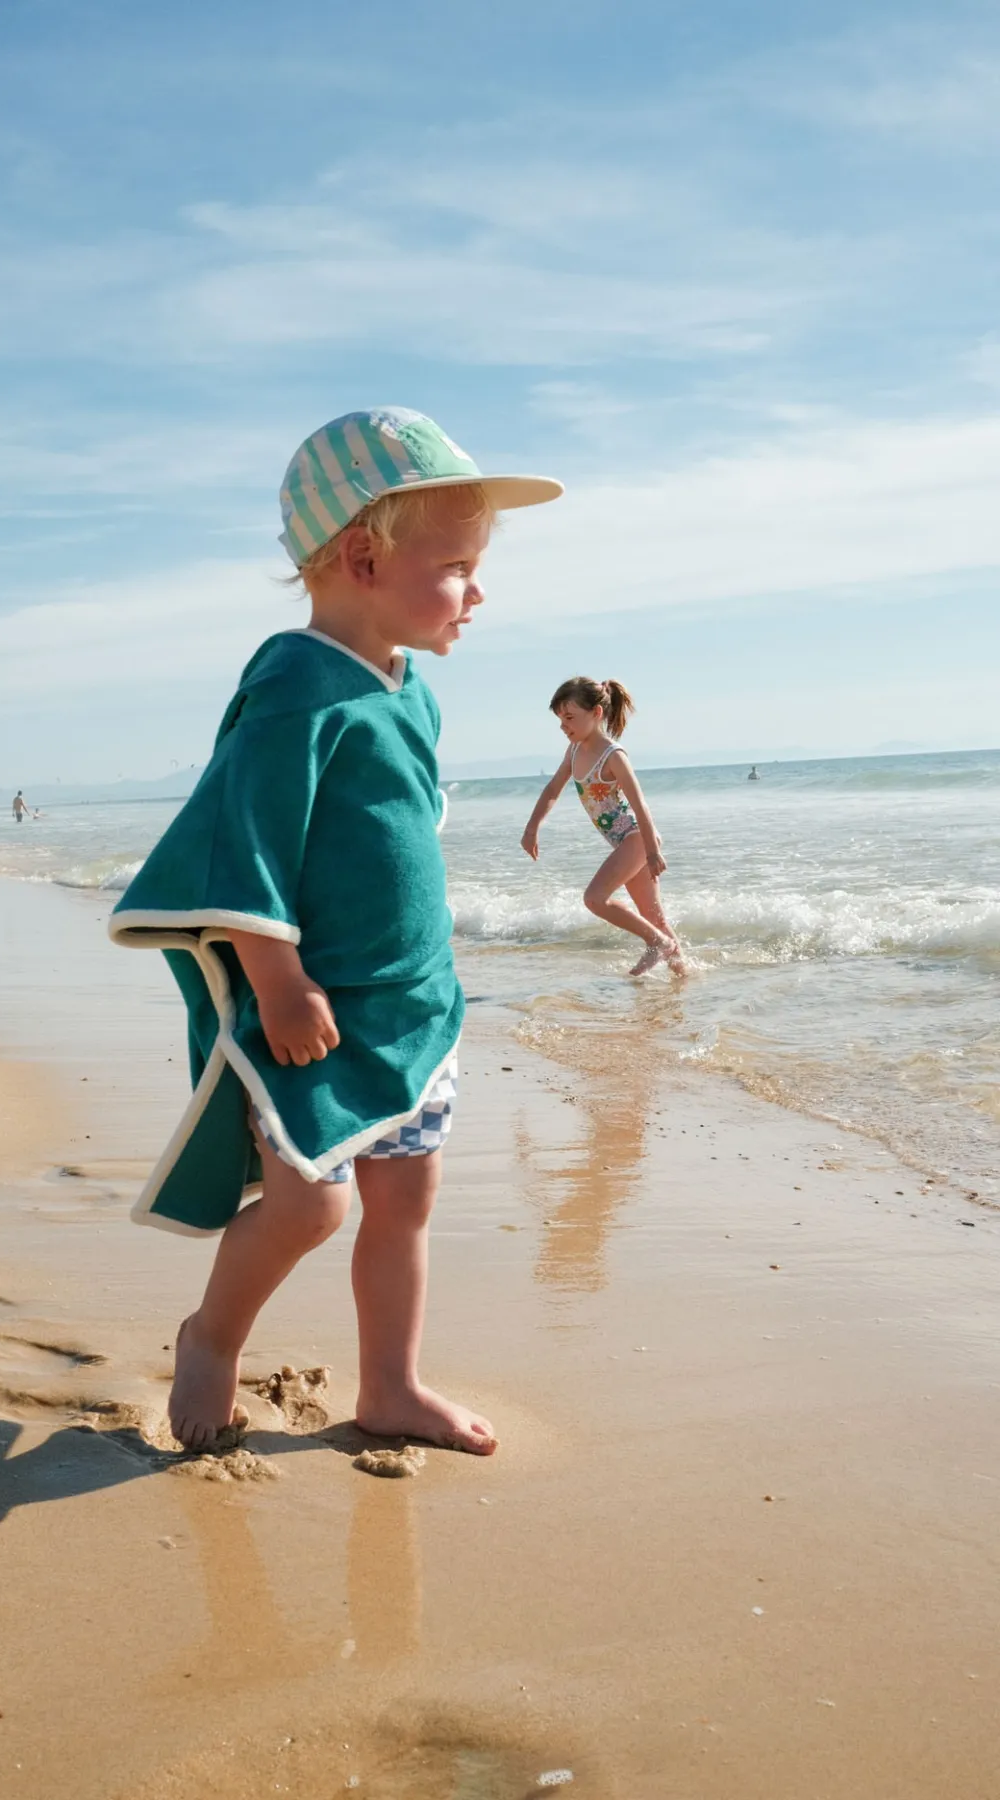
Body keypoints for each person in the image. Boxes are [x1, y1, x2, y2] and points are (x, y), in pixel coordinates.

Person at [109, 408, 562, 1454]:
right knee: (314, 1206)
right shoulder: (294, 686)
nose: (477, 593)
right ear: (363, 558)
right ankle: (212, 1338)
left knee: (407, 1196)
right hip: (315, 1008)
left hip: (412, 1006)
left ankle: (392, 1386)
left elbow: (398, 834)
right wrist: (276, 977)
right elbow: (245, 840)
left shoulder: (412, 690)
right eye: (456, 568)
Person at [521, 676, 684, 977]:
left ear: (596, 713)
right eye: (560, 720)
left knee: (594, 899)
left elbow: (640, 805)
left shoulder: (613, 755)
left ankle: (657, 943)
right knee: (655, 918)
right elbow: (553, 789)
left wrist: (651, 851)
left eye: (570, 717)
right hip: (626, 843)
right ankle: (684, 978)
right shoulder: (573, 751)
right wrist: (532, 828)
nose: (563, 726)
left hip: (637, 839)